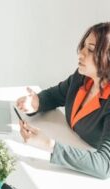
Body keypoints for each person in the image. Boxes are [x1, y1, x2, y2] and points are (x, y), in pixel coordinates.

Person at [16, 22, 110, 179]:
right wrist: (35, 102)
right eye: (83, 46)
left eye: (91, 50)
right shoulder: (82, 77)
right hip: (72, 149)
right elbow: (56, 95)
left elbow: (104, 165)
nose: (81, 54)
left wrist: (48, 144)